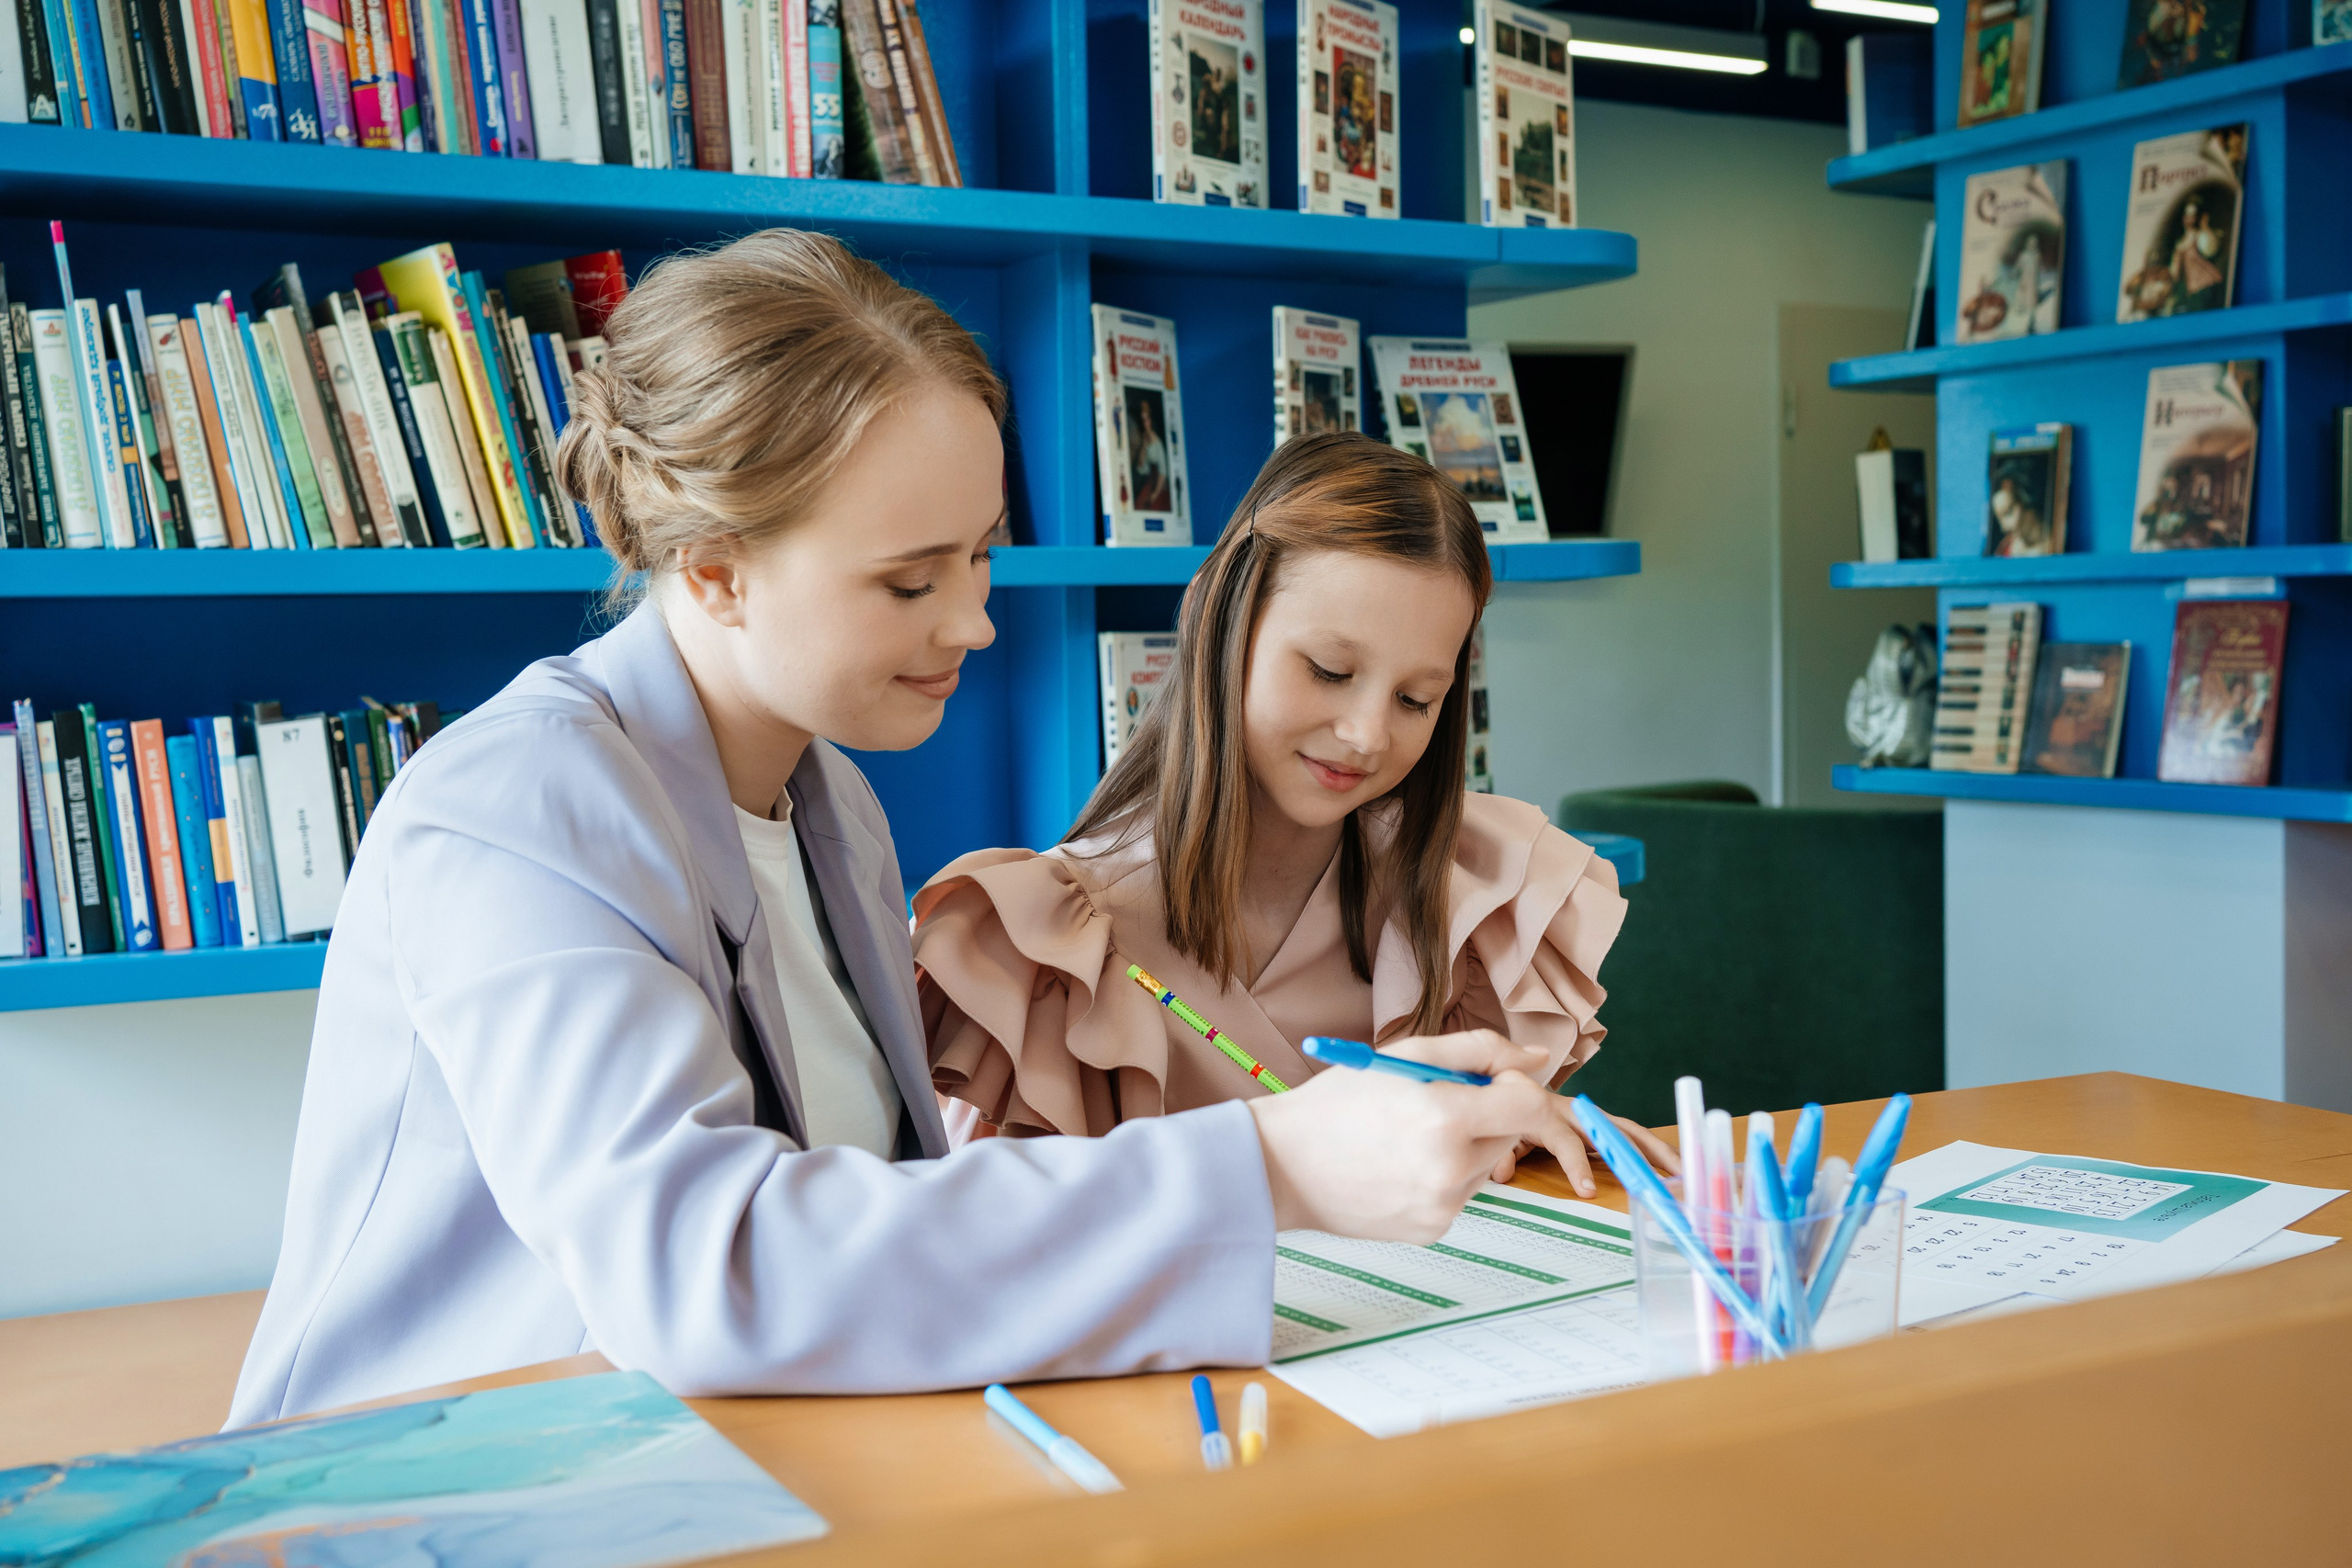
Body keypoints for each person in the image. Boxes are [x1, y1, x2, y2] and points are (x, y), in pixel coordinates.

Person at [226, 232, 1601, 1427]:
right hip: (446, 1488)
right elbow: (699, 1270)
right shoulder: (514, 806)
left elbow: (876, 1227)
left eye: (982, 553)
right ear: (712, 569)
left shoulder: (833, 808)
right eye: (908, 578)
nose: (975, 621)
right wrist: (1274, 1160)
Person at [913, 433, 1676, 1192]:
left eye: (1417, 699)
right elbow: (981, 1243)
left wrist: (1514, 1129)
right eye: (1329, 670)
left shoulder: (1477, 892)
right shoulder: (1039, 952)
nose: (1367, 735)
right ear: (1224, 624)